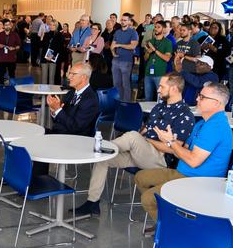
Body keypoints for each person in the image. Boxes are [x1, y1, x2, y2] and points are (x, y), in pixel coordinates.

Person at [75, 72, 197, 216]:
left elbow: (173, 150)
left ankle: (102, 147)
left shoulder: (185, 115)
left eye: (162, 87)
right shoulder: (159, 107)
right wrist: (141, 139)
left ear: (174, 89)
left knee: (132, 137)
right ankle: (92, 203)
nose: (158, 90)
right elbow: (145, 130)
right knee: (103, 159)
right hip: (142, 153)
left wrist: (145, 141)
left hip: (160, 159)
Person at [135, 81, 233, 224]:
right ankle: (169, 218)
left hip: (199, 181)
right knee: (140, 177)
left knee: (148, 200)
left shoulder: (216, 127)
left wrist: (171, 143)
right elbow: (181, 151)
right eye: (199, 96)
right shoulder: (202, 123)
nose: (197, 99)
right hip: (183, 172)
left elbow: (193, 161)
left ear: (216, 103)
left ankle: (173, 231)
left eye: (202, 97)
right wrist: (171, 143)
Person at [46, 62, 99, 136]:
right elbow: (59, 119)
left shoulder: (90, 99)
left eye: (73, 74)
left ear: (83, 77)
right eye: (69, 73)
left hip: (74, 138)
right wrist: (54, 110)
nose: (68, 77)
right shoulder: (71, 93)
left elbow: (75, 127)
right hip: (59, 132)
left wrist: (58, 110)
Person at [141, 20, 174, 100]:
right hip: (148, 73)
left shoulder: (168, 42)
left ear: (163, 29)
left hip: (160, 74)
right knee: (147, 98)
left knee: (160, 98)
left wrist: (155, 50)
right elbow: (145, 58)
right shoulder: (150, 41)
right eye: (155, 27)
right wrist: (148, 52)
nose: (156, 29)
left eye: (158, 27)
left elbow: (167, 58)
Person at [110, 14, 140, 100]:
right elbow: (113, 45)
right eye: (122, 20)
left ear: (129, 21)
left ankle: (126, 103)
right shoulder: (117, 32)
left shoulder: (133, 32)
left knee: (125, 84)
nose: (123, 22)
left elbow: (132, 46)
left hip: (126, 61)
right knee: (116, 83)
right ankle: (118, 102)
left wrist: (119, 45)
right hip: (115, 60)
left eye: (125, 20)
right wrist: (113, 53)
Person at [0, 18, 20, 85]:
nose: (7, 26)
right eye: (6, 25)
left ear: (11, 26)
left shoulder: (15, 35)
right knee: (1, 75)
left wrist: (14, 48)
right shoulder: (0, 35)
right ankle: (1, 90)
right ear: (3, 26)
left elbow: (19, 46)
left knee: (12, 75)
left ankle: (12, 89)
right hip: (2, 58)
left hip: (12, 58)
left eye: (8, 25)